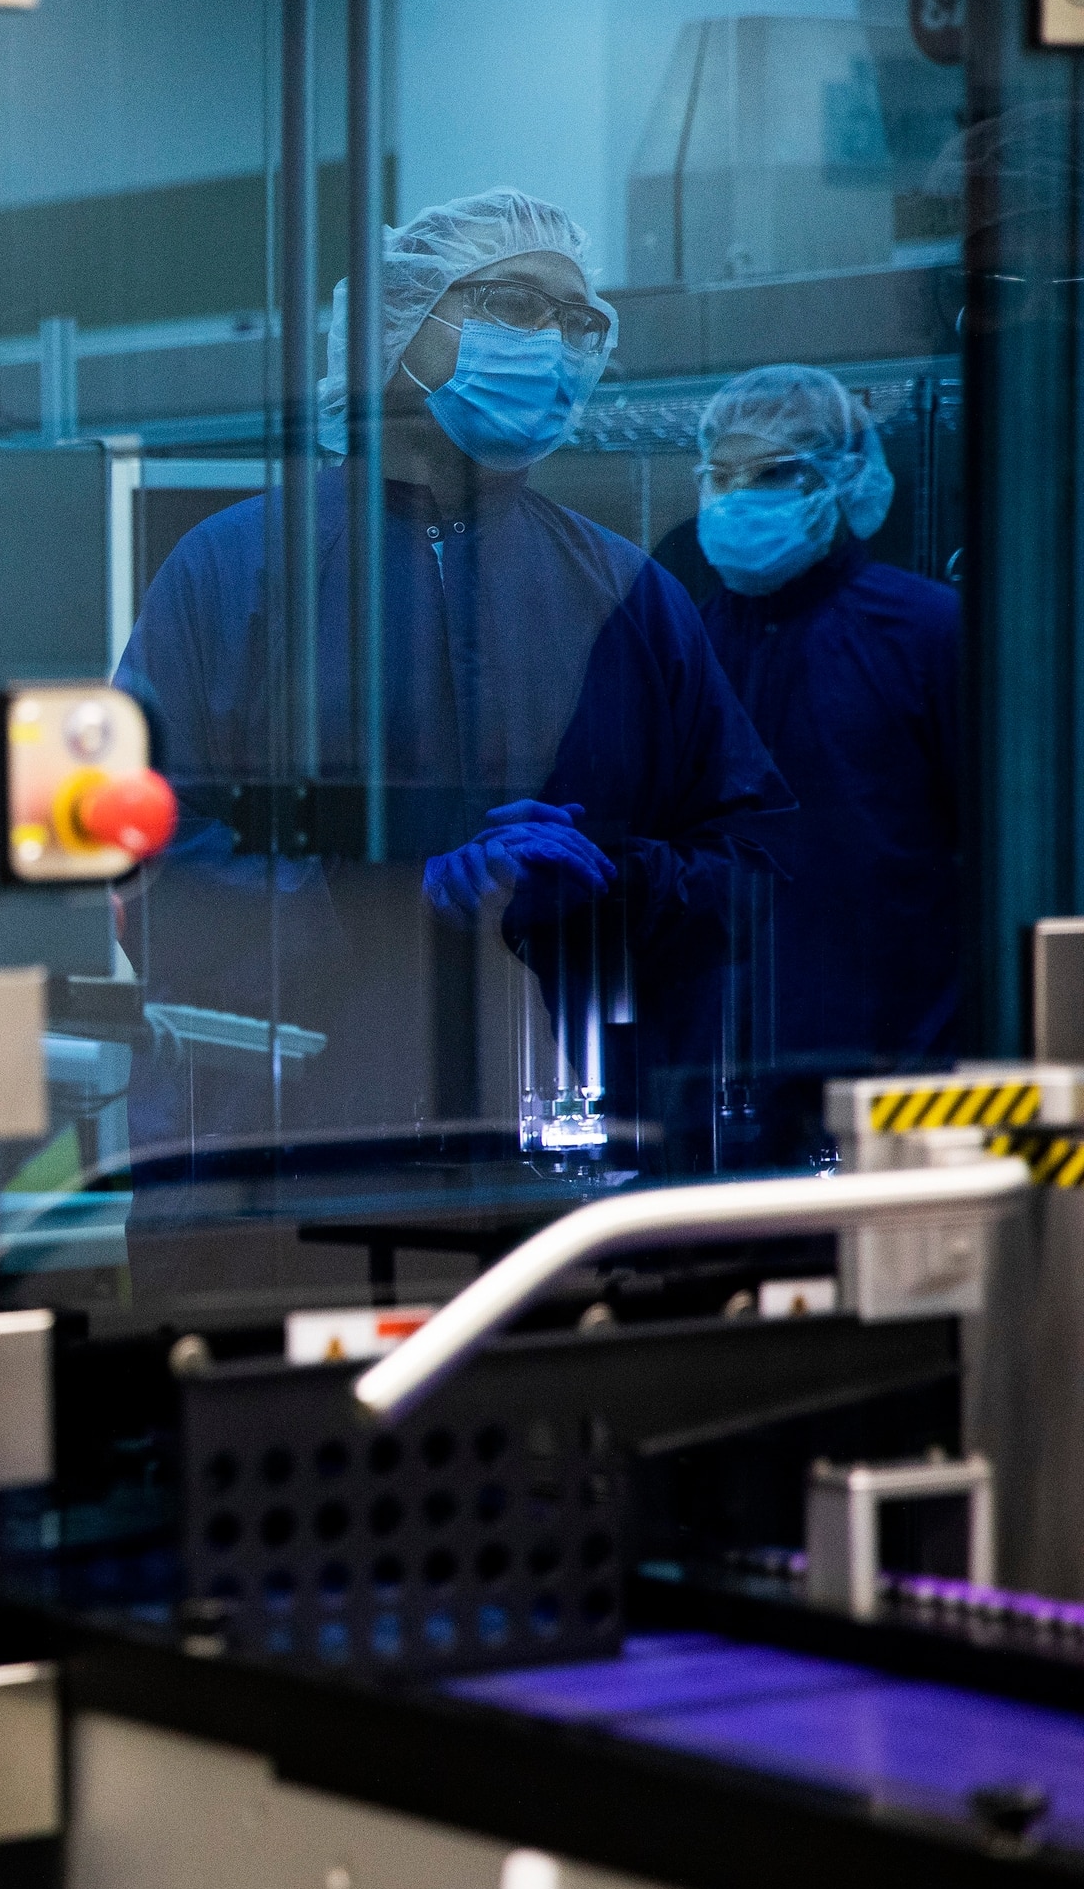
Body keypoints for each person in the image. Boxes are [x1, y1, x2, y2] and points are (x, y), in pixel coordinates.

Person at [115, 188, 790, 1169]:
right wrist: (392, 900)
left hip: (557, 1169)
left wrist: (616, 878)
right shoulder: (238, 572)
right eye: (515, 306)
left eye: (581, 323)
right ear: (400, 327)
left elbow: (751, 864)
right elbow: (144, 871)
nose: (555, 345)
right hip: (279, 1171)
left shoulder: (623, 594)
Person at [690, 366, 961, 1108]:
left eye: (776, 472)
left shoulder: (928, 634)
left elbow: (997, 858)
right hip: (719, 1073)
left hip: (897, 1063)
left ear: (845, 481)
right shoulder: (684, 649)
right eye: (722, 475)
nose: (742, 497)